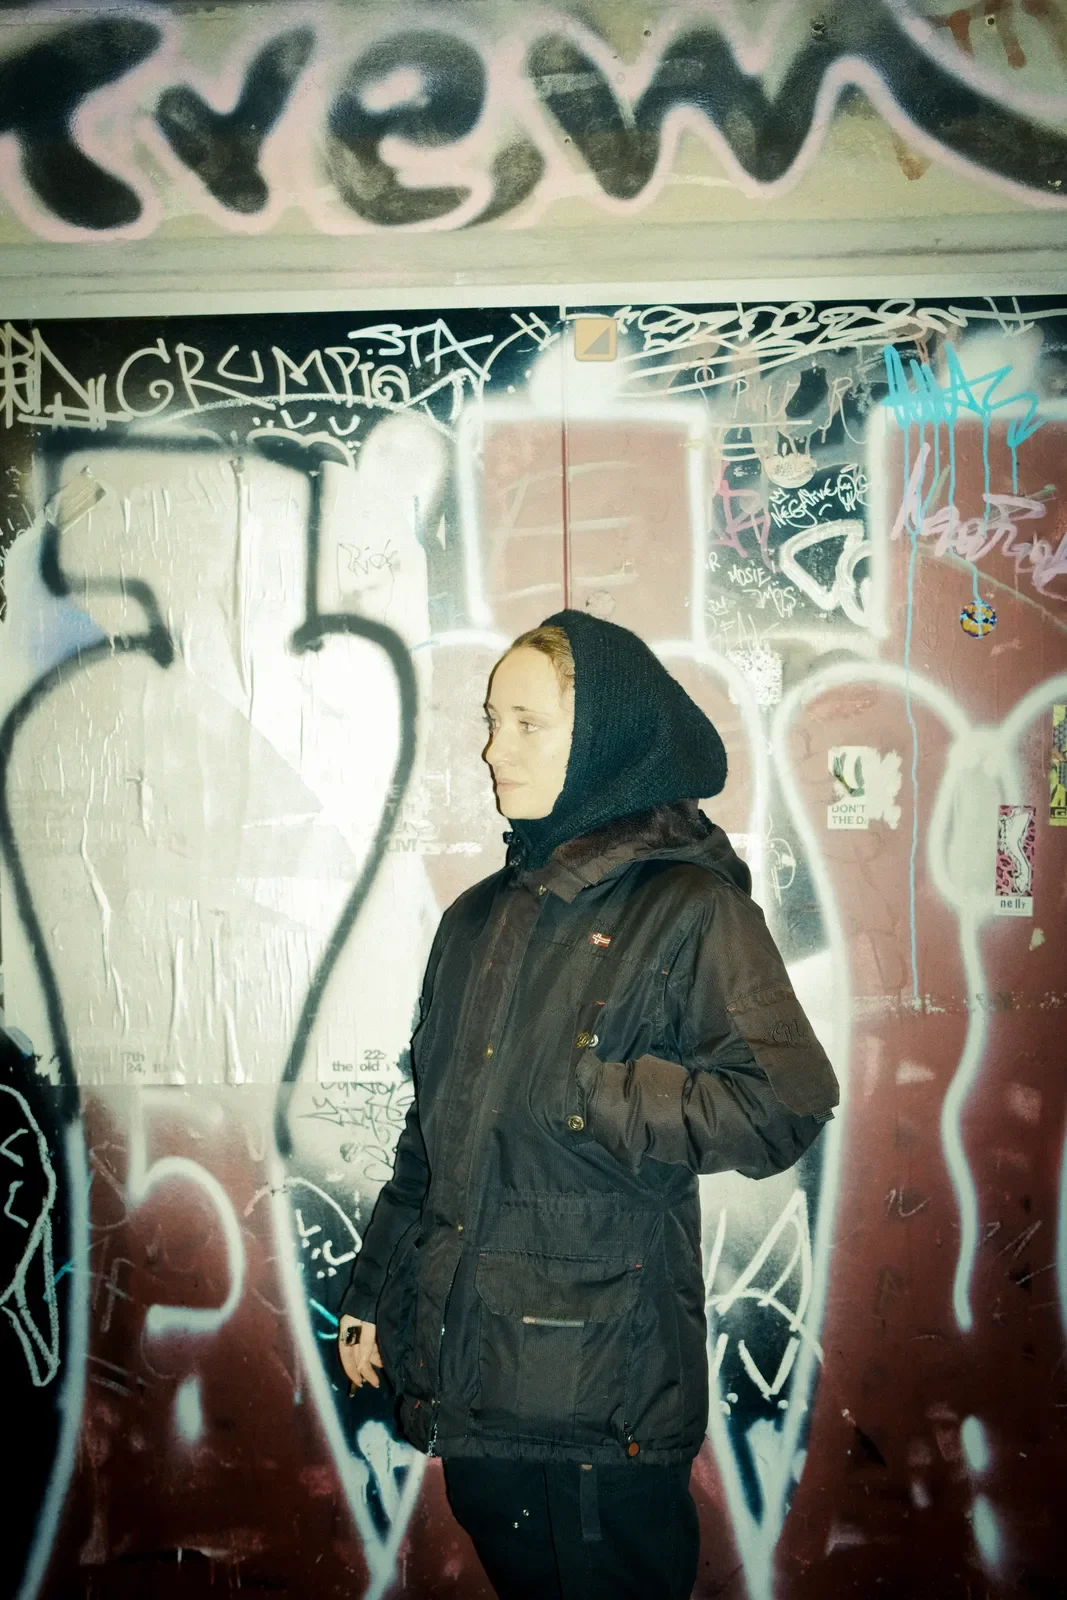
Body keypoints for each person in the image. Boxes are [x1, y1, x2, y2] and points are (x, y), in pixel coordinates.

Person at [338, 611, 839, 1599]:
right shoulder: (474, 918)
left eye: (526, 723)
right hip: (475, 1391)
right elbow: (429, 1142)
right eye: (490, 722)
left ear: (605, 736)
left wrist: (592, 1092)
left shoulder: (688, 909)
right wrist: (372, 1293)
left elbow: (782, 1099)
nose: (492, 749)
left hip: (600, 1408)